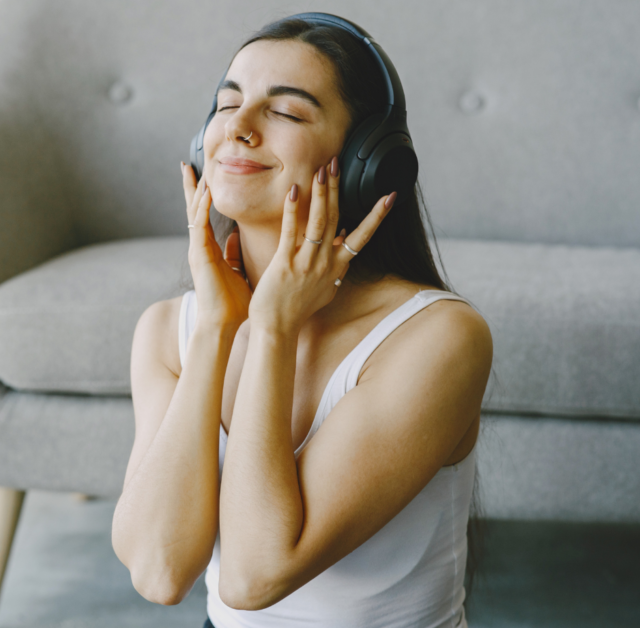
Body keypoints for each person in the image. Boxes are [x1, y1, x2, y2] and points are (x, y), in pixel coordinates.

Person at [111, 14, 493, 628]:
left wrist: (273, 330)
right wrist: (215, 330)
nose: (237, 127)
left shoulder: (438, 338)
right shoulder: (169, 330)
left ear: (369, 161)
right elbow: (159, 572)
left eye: (285, 113)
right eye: (226, 103)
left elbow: (252, 575)